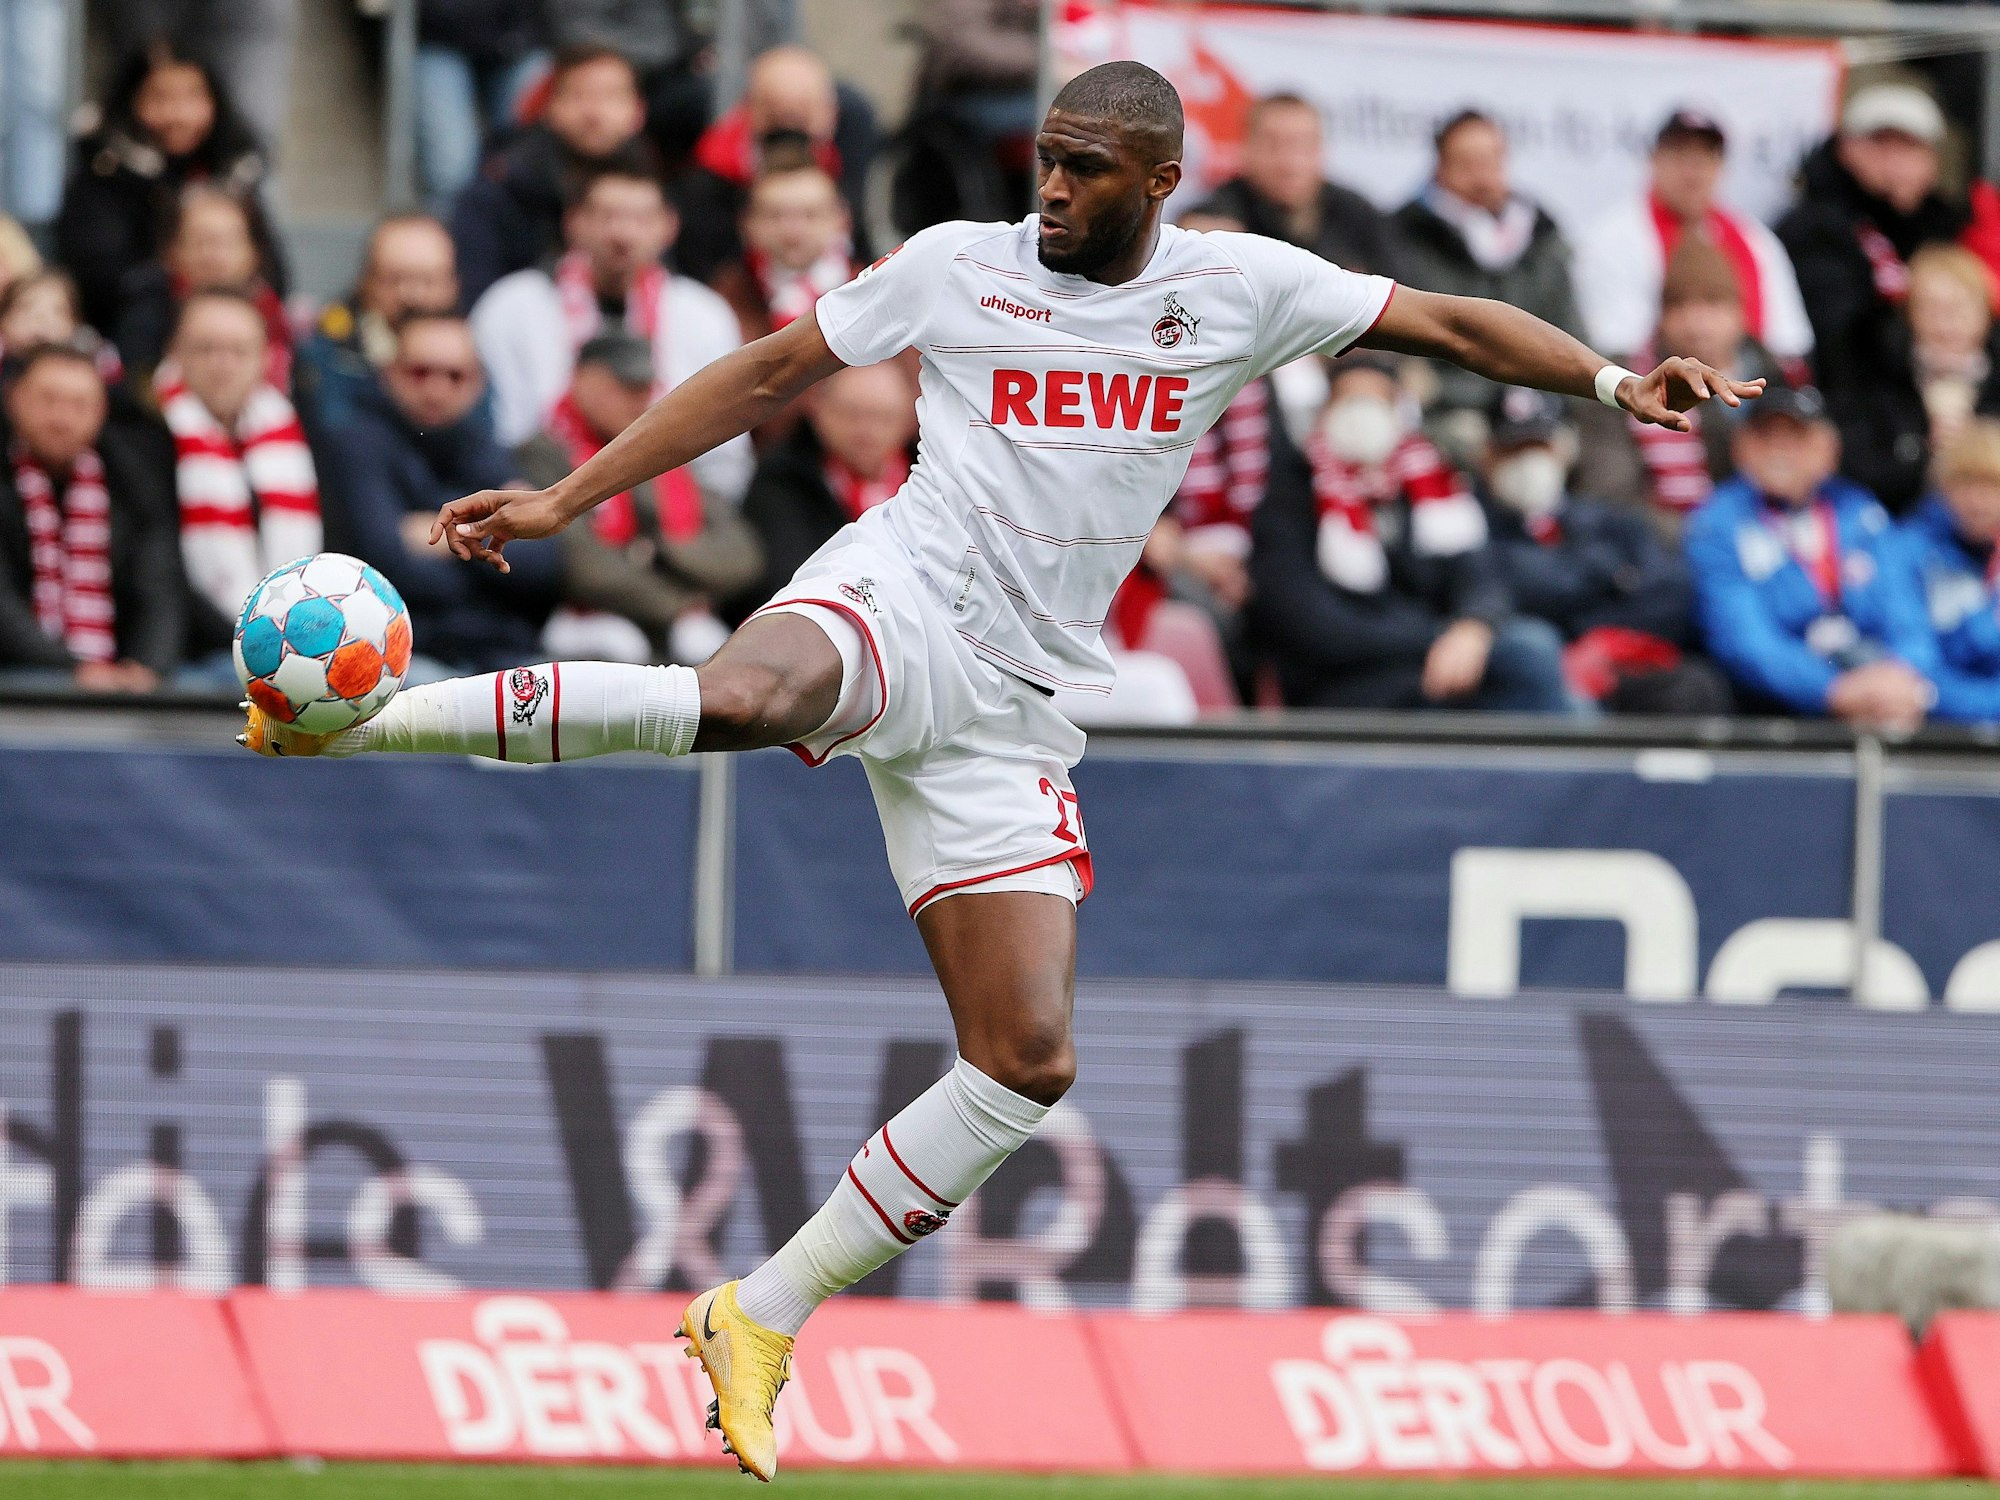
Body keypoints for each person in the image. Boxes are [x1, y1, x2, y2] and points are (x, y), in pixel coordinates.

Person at [237, 62, 1757, 1480]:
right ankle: (358, 722)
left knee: (1026, 1062)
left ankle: (757, 1315)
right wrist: (570, 495)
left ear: (1159, 183)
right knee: (752, 697)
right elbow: (768, 371)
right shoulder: (959, 265)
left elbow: (1455, 323)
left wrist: (1615, 384)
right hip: (903, 590)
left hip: (1018, 703)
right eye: (1044, 162)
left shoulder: (1243, 288)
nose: (1051, 191)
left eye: (1086, 172)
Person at [1249, 354, 1579, 713]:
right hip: (1348, 682)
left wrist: (1473, 625)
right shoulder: (1291, 498)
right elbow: (1313, 627)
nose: (1364, 416)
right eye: (1351, 401)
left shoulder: (1430, 485)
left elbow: (1481, 575)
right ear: (1325, 410)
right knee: (1527, 661)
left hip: (1434, 666)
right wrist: (1436, 638)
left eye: (1378, 402)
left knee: (1534, 654)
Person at [469, 164, 749, 522]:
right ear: (573, 222)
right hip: (542, 500)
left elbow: (725, 454)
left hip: (677, 510)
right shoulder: (510, 306)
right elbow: (498, 430)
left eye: (642, 218)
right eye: (607, 216)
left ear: (669, 226)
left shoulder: (704, 314)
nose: (623, 234)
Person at [315, 313, 557, 671]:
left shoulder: (487, 448)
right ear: (390, 373)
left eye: (454, 375)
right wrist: (493, 533)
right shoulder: (355, 445)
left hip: (502, 654)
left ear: (478, 383)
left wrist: (446, 534)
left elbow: (545, 566)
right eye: (420, 372)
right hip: (399, 655)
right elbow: (387, 564)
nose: (436, 388)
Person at [1685, 385, 1930, 728]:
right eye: (1765, 437)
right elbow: (1742, 639)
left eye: (1796, 437)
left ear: (1828, 450)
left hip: (1877, 690)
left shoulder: (1861, 513)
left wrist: (1903, 674)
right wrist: (1830, 689)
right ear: (1740, 448)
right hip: (1774, 708)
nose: (1779, 450)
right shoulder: (1718, 522)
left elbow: (1907, 614)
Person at [518, 332, 761, 666]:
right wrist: (680, 605)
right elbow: (582, 567)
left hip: (668, 624)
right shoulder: (542, 454)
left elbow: (742, 556)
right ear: (582, 379)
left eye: (644, 388)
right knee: (619, 645)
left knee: (708, 645)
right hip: (580, 620)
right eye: (624, 385)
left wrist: (662, 550)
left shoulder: (662, 454)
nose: (638, 400)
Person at [1479, 390, 1729, 714]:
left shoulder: (1608, 520)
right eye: (1514, 450)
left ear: (1565, 450)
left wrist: (1601, 642)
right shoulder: (1469, 522)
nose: (1529, 463)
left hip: (1612, 662)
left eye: (1540, 447)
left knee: (1696, 686)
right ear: (1488, 455)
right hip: (1531, 673)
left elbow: (1671, 592)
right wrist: (1609, 578)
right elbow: (1493, 590)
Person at [55, 38, 284, 337]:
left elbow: (275, 274)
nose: (180, 115)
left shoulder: (236, 171)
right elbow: (98, 282)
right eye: (160, 98)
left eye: (194, 96)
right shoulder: (103, 175)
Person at [1572, 240, 1788, 540]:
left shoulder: (1777, 382)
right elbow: (1609, 496)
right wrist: (1709, 539)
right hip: (1662, 553)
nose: (1695, 324)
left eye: (1712, 304)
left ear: (1740, 313)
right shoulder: (1627, 382)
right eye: (1679, 305)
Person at [156, 290, 321, 664]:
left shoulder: (296, 435)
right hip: (196, 654)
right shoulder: (147, 436)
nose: (222, 364)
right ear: (176, 353)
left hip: (295, 652)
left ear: (265, 359)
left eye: (238, 351)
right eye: (206, 349)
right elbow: (162, 578)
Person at [0, 344, 180, 687]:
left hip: (115, 675)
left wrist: (147, 667)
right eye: (47, 400)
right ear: (12, 399)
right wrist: (72, 670)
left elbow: (160, 588)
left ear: (101, 411)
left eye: (79, 404)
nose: (62, 419)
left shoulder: (131, 481)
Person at [1575, 109, 1812, 369]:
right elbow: (1617, 345)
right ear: (1654, 160)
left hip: (1749, 387)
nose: (1693, 170)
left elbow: (1789, 345)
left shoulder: (1755, 241)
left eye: (1705, 157)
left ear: (1722, 167)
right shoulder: (1616, 238)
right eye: (1680, 154)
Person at [1392, 110, 1583, 427]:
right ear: (1440, 168)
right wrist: (1487, 398)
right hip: (1446, 414)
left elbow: (1574, 338)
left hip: (1540, 414)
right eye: (1466, 164)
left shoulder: (1543, 239)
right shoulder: (1404, 239)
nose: (1481, 178)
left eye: (1490, 162)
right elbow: (1411, 362)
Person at [1779, 83, 1967, 399]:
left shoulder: (1948, 231)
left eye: (1908, 146)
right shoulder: (1816, 228)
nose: (1894, 160)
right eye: (1879, 143)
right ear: (1845, 148)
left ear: (1932, 162)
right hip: (1848, 406)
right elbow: (1837, 342)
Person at [450, 44, 649, 306]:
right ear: (549, 107)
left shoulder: (654, 184)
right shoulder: (501, 186)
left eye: (610, 96)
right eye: (579, 95)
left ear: (638, 111)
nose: (594, 113)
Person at [672, 46, 877, 284]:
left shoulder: (862, 175)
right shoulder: (710, 182)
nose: (793, 231)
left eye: (802, 111)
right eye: (775, 112)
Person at [732, 357, 916, 615]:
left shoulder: (926, 483)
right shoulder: (783, 481)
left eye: (883, 418)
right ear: (819, 408)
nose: (867, 432)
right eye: (852, 414)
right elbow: (784, 580)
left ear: (908, 420)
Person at [1835, 244, 2000, 515]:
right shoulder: (1877, 379)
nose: (1945, 326)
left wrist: (1977, 450)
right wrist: (1919, 451)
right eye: (1932, 310)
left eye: (1958, 309)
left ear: (1985, 314)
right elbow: (1856, 470)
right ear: (1909, 316)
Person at [1187, 92, 1397, 278]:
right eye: (1273, 146)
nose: (1289, 163)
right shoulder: (1219, 212)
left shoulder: (1357, 215)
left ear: (1321, 150)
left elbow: (1402, 291)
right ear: (1246, 149)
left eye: (1302, 146)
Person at [113, 183, 291, 392]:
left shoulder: (275, 318)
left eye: (228, 242)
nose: (214, 256)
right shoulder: (145, 318)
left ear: (254, 253)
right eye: (201, 241)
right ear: (171, 252)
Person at [295, 214, 462, 434]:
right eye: (395, 279)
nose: (411, 295)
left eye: (427, 281)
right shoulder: (330, 354)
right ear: (366, 282)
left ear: (453, 286)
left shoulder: (472, 358)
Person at [1893, 418, 2000, 723]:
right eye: (1965, 483)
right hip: (1933, 731)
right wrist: (1986, 626)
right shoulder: (1908, 550)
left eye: (1992, 485)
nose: (1978, 501)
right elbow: (1914, 665)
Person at [413, 0, 549, 211]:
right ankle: (450, 239)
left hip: (521, 37)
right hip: (436, 35)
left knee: (524, 164)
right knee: (452, 170)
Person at [708, 158, 855, 347]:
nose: (792, 231)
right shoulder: (725, 298)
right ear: (747, 223)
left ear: (841, 220)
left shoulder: (867, 288)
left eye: (810, 215)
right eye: (775, 216)